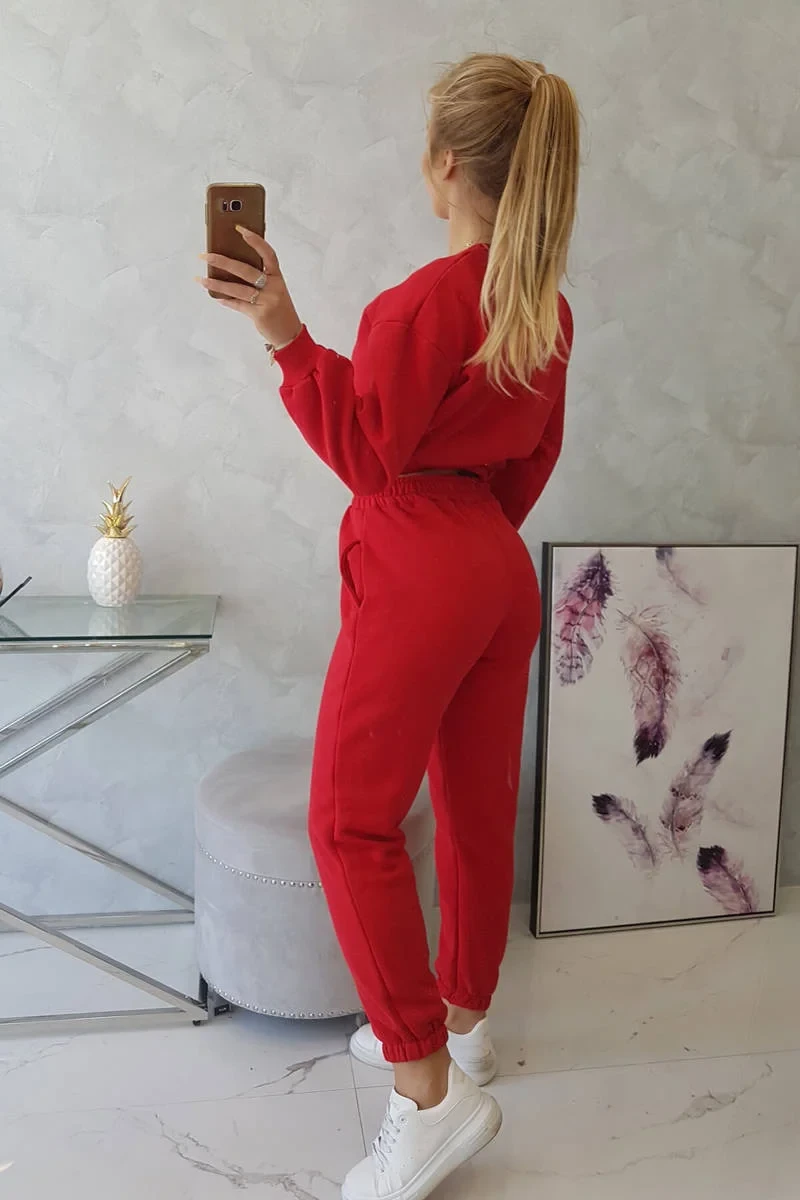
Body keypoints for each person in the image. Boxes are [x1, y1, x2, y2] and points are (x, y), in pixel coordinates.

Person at [198, 51, 579, 1200]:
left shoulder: (420, 304)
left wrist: (284, 332)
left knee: (349, 821)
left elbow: (367, 456)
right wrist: (471, 546)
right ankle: (462, 1023)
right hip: (493, 564)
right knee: (472, 804)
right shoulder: (544, 310)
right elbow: (531, 462)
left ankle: (427, 1093)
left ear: (445, 165)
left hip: (420, 559)